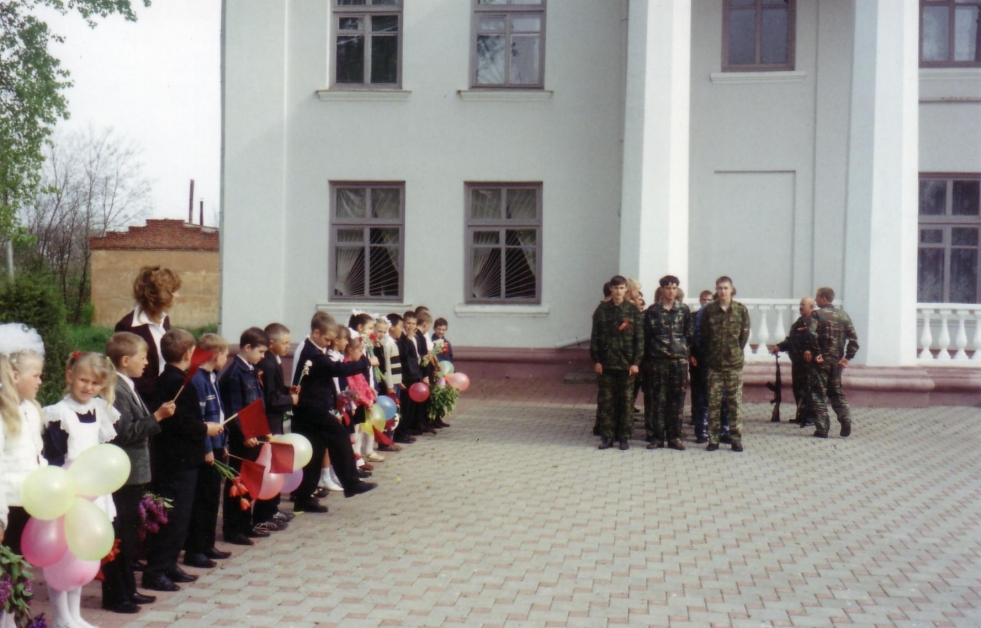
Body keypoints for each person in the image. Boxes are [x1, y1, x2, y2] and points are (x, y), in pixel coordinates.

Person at [43, 352, 121, 627]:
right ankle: (61, 617)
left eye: (95, 383)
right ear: (70, 376)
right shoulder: (58, 413)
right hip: (68, 491)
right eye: (83, 380)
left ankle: (75, 614)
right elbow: (54, 457)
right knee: (62, 555)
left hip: (93, 493)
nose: (88, 387)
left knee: (81, 553)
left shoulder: (100, 410)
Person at [143, 330, 223, 593]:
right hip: (178, 459)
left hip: (180, 458)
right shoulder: (177, 382)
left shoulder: (173, 378)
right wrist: (206, 428)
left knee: (181, 516)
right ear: (189, 353)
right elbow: (181, 422)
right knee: (174, 517)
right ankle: (156, 570)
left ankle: (169, 564)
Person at [102, 332, 176, 614]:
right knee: (121, 534)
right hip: (125, 474)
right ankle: (116, 594)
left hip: (134, 473)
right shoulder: (116, 389)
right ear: (125, 360)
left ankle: (128, 589)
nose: (146, 363)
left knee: (130, 534)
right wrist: (157, 417)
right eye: (142, 358)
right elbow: (125, 433)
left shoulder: (126, 385)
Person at [291, 312, 376, 513]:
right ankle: (351, 482)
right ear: (316, 333)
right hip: (310, 408)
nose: (329, 343)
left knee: (316, 451)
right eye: (327, 339)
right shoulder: (311, 353)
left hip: (315, 407)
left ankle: (303, 498)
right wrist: (366, 362)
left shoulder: (316, 350)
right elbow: (337, 369)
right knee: (339, 435)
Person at [219, 327, 276, 543]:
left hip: (254, 434)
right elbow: (234, 410)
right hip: (242, 438)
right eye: (260, 352)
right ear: (247, 347)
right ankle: (233, 529)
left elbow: (256, 405)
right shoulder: (235, 373)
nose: (262, 357)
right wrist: (244, 434)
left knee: (250, 479)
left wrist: (263, 429)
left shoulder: (251, 369)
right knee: (238, 480)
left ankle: (246, 523)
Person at [185, 333, 234, 564]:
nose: (226, 359)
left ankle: (208, 544)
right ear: (215, 355)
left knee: (212, 499)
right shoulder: (198, 379)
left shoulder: (212, 376)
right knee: (203, 500)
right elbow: (202, 418)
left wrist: (223, 443)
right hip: (207, 448)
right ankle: (196, 549)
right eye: (225, 355)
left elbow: (220, 413)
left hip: (217, 444)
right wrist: (207, 449)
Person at [0, 324, 46, 558]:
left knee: (22, 569)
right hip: (8, 506)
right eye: (36, 376)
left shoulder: (31, 410)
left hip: (29, 503)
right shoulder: (3, 414)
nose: (40, 382)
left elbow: (37, 457)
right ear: (15, 376)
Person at [113, 266, 181, 407]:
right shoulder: (128, 327)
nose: (177, 296)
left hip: (168, 399)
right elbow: (128, 375)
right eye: (174, 291)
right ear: (161, 295)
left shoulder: (164, 319)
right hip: (146, 405)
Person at [590, 275, 643, 450]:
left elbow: (639, 339)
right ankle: (607, 437)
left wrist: (636, 362)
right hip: (607, 364)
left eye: (621, 288)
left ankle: (624, 437)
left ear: (625, 289)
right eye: (615, 288)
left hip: (626, 365)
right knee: (607, 403)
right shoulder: (602, 310)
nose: (618, 292)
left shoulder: (632, 310)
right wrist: (597, 360)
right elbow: (595, 337)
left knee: (626, 403)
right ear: (611, 289)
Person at [642, 275, 695, 451]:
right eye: (668, 288)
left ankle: (675, 437)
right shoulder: (653, 311)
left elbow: (689, 334)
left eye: (674, 288)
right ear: (662, 289)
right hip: (658, 362)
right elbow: (646, 336)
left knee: (677, 400)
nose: (671, 291)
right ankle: (657, 437)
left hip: (679, 362)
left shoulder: (683, 310)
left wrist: (685, 351)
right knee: (658, 400)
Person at [254, 323, 298, 527]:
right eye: (285, 343)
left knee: (276, 465)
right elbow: (270, 398)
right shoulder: (268, 364)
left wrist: (288, 390)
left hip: (275, 420)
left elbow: (276, 389)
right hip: (270, 421)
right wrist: (291, 400)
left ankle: (273, 508)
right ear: (271, 343)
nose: (288, 346)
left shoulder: (274, 361)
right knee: (270, 466)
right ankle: (265, 512)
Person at [700, 276, 750, 452]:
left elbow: (743, 337)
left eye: (725, 288)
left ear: (731, 289)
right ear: (716, 289)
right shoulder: (709, 310)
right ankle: (713, 439)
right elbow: (705, 335)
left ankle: (735, 439)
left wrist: (733, 351)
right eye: (720, 288)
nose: (722, 291)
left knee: (734, 404)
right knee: (713, 404)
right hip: (715, 365)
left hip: (733, 365)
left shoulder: (740, 310)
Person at [808, 287, 859, 438]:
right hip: (836, 362)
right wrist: (847, 357)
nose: (816, 300)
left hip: (821, 361)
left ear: (824, 298)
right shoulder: (843, 316)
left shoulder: (816, 315)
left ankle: (822, 428)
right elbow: (854, 340)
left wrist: (816, 352)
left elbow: (810, 334)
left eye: (817, 297)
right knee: (836, 392)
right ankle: (845, 418)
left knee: (818, 394)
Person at [772, 297, 818, 428]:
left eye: (803, 305)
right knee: (798, 388)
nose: (800, 307)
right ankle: (801, 415)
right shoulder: (799, 321)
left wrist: (809, 349)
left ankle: (809, 417)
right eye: (800, 304)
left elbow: (816, 339)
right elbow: (791, 339)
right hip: (797, 361)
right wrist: (780, 346)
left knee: (807, 389)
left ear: (811, 307)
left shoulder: (814, 321)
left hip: (808, 363)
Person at [689, 290, 713, 442]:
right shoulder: (694, 316)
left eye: (709, 300)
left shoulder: (715, 316)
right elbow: (691, 337)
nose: (706, 302)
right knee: (698, 390)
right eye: (704, 299)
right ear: (700, 300)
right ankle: (696, 419)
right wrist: (691, 354)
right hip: (697, 358)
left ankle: (710, 423)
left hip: (712, 359)